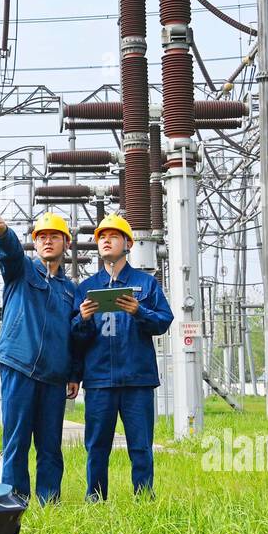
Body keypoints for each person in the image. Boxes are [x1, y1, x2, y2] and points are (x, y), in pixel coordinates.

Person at [72, 213, 173, 500]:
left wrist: (138, 311)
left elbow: (164, 321)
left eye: (113, 236)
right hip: (100, 380)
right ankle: (95, 499)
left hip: (137, 379)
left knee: (141, 446)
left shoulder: (145, 284)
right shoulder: (86, 289)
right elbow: (76, 339)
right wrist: (82, 319)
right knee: (96, 446)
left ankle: (143, 499)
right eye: (102, 237)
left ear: (127, 243)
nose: (106, 240)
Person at [0, 210, 80, 504]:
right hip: (19, 365)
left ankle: (49, 502)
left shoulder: (71, 291)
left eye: (54, 236)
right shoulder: (23, 271)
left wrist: (74, 374)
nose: (48, 242)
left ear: (66, 243)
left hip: (54, 376)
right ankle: (14, 503)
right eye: (42, 237)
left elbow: (76, 335)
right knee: (16, 441)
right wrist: (4, 234)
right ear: (35, 244)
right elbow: (10, 254)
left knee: (50, 445)